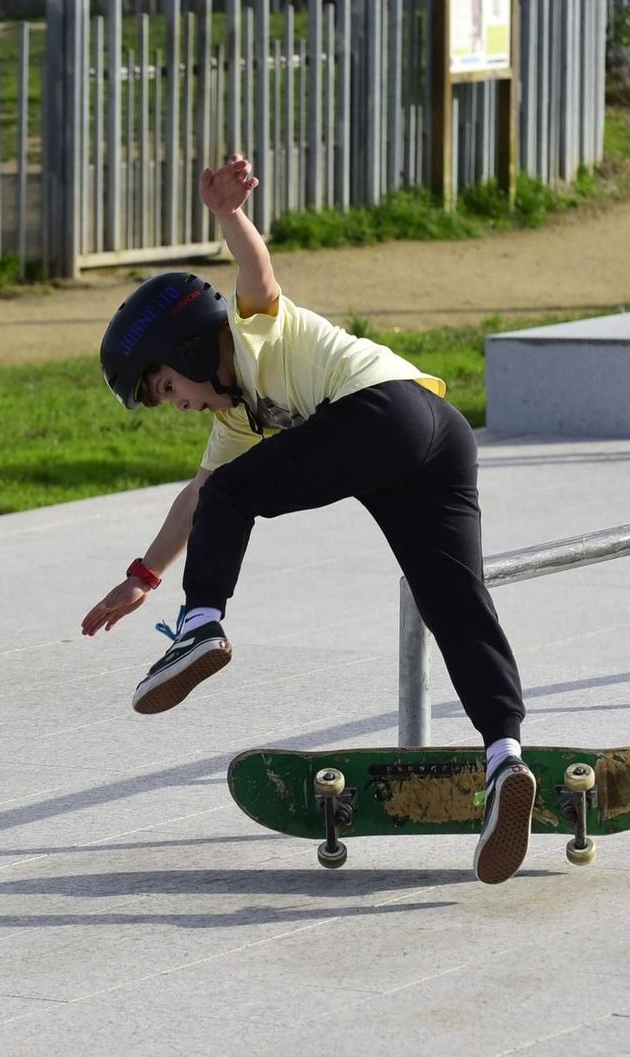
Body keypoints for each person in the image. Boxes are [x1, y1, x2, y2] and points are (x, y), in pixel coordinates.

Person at [85, 153, 536, 884]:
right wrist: (142, 576)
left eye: (168, 386)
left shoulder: (251, 324)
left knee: (237, 491)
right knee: (455, 606)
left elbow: (256, 267)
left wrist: (229, 214)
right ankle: (505, 760)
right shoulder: (236, 423)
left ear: (192, 344)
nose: (178, 403)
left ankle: (201, 629)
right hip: (440, 437)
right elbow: (193, 499)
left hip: (384, 414)